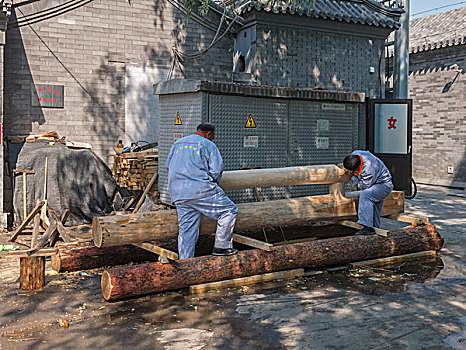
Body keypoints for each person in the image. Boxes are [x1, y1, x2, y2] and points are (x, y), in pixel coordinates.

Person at [165, 122, 238, 259]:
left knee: (187, 231)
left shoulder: (178, 143)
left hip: (179, 193)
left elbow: (168, 166)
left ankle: (186, 262)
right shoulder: (208, 144)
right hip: (201, 190)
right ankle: (222, 247)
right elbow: (217, 170)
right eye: (212, 136)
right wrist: (212, 186)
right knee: (229, 210)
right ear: (209, 134)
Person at [342, 150, 393, 235]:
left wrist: (353, 177)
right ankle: (375, 229)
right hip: (376, 183)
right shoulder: (355, 154)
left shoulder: (369, 169)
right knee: (374, 208)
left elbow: (363, 186)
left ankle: (367, 226)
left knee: (366, 195)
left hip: (383, 185)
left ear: (357, 168)